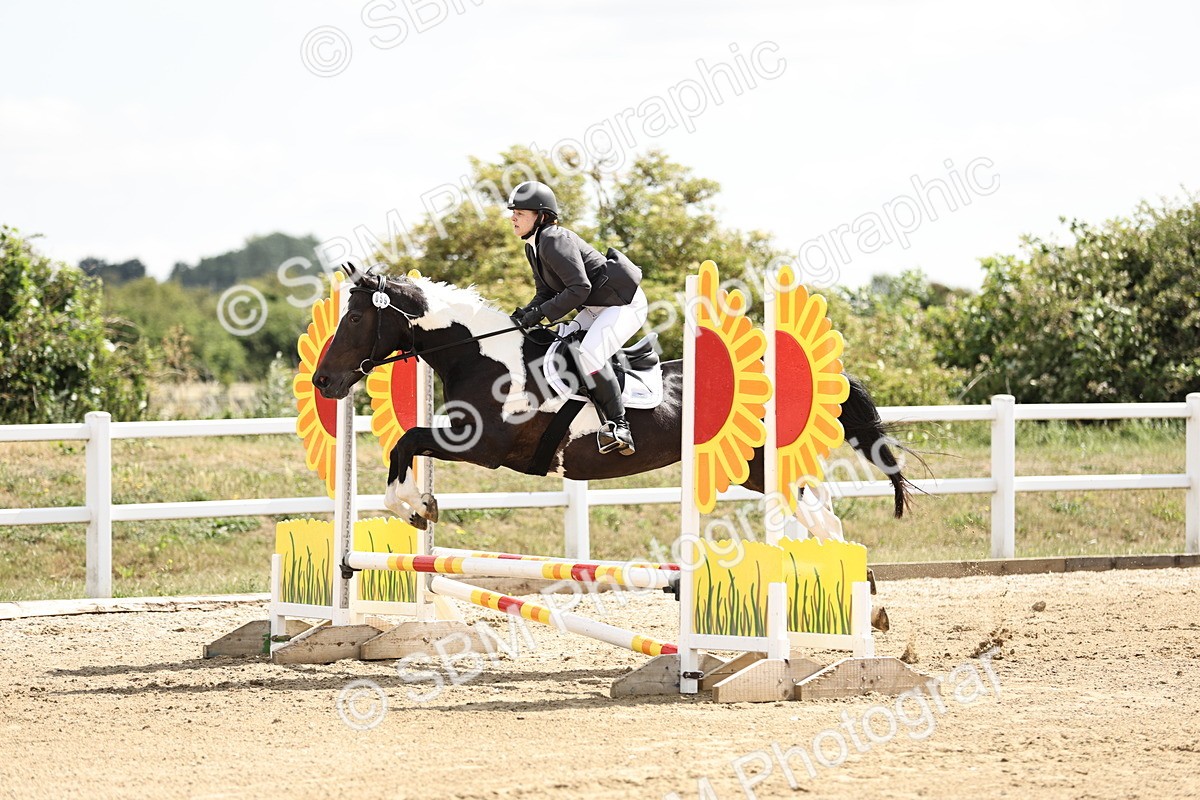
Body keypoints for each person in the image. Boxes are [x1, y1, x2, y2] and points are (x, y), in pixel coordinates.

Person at [507, 180, 648, 456]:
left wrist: (540, 314)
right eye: (513, 212)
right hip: (597, 306)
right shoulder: (533, 246)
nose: (513, 217)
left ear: (542, 217)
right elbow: (545, 292)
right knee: (558, 344)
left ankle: (619, 427)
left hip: (623, 304)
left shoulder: (554, 239)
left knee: (589, 354)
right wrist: (525, 315)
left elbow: (579, 288)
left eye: (521, 213)